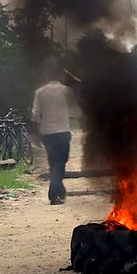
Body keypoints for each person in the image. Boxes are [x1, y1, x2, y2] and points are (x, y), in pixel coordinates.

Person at [32, 67, 77, 205]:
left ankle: (59, 189)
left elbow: (35, 115)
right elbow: (75, 104)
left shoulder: (40, 92)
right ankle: (54, 194)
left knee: (54, 162)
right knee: (61, 162)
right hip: (63, 132)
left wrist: (36, 135)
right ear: (60, 77)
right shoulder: (66, 91)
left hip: (47, 133)